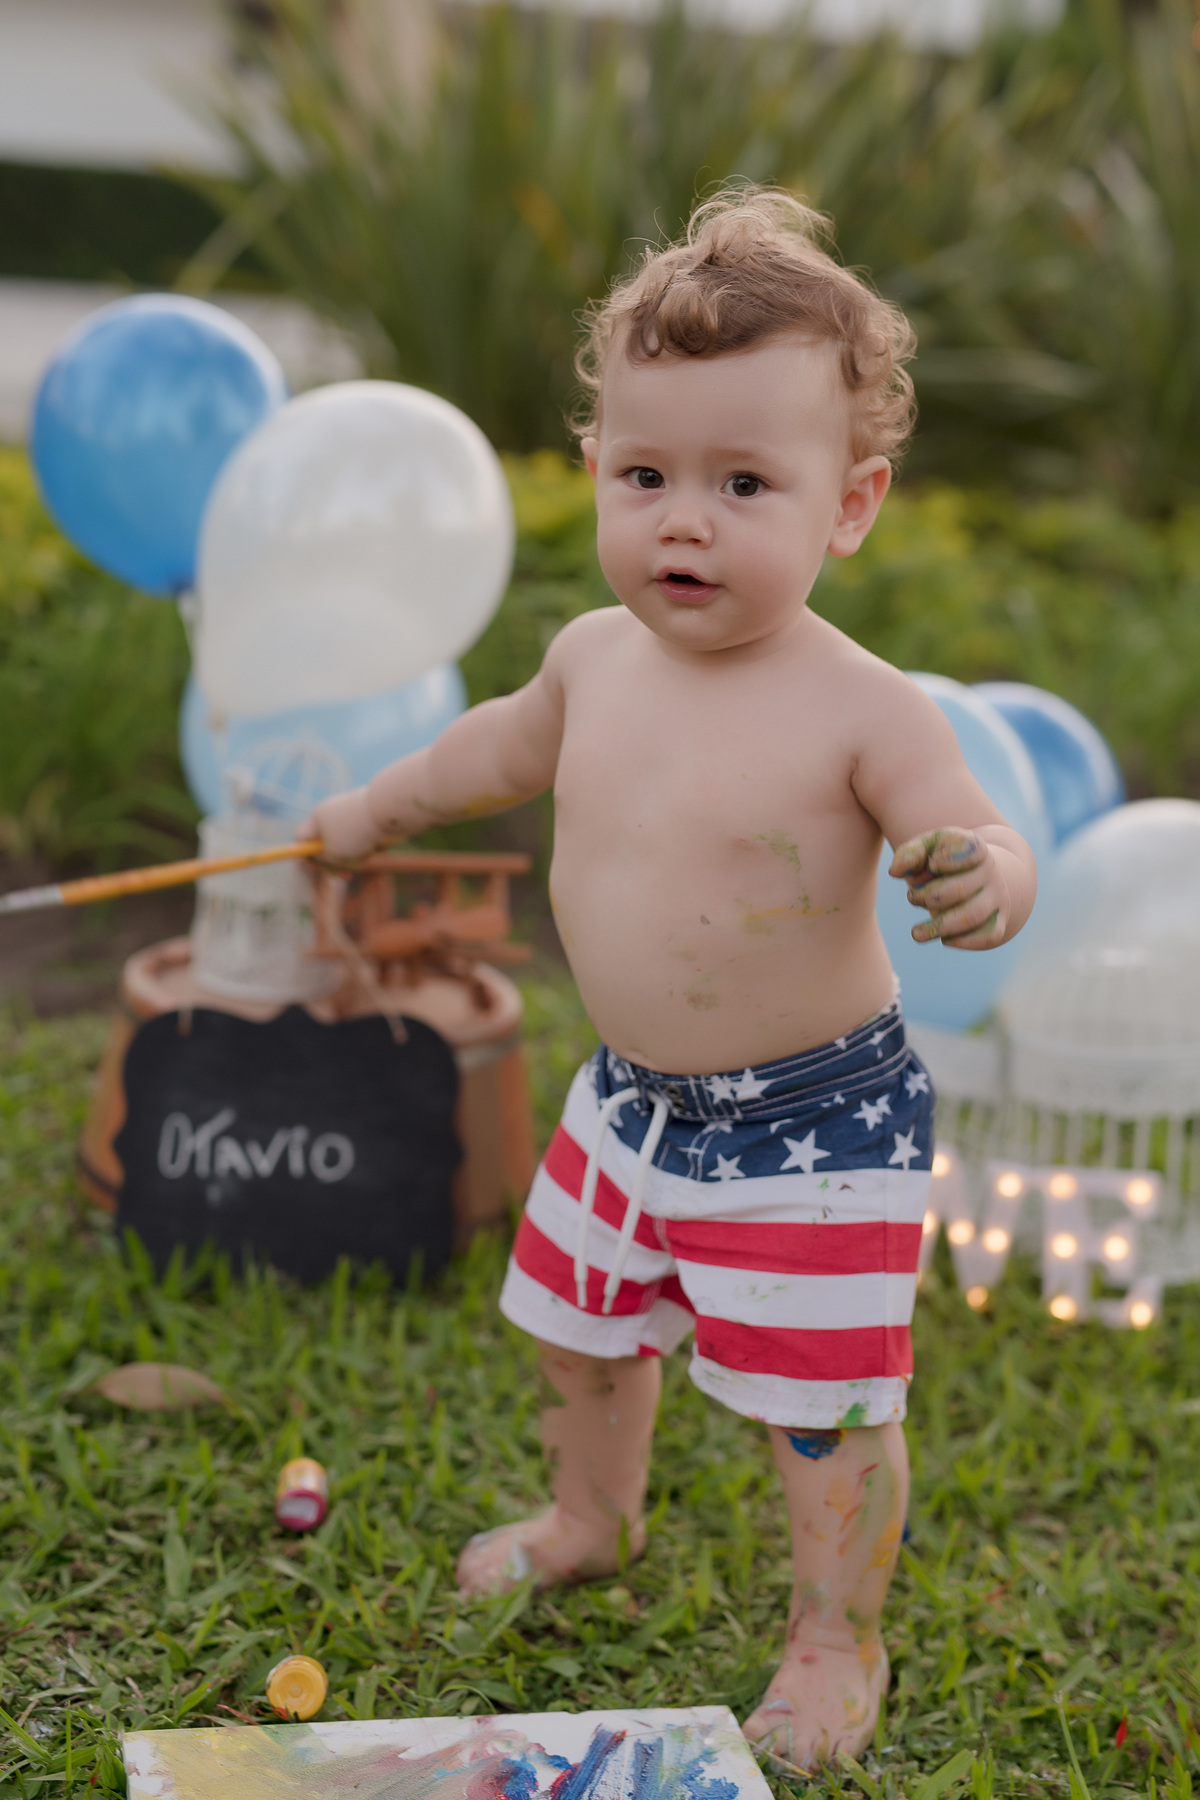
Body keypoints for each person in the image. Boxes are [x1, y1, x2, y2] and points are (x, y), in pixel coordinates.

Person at [307, 187, 1037, 1769]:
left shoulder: (864, 710)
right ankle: (592, 1514)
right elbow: (484, 752)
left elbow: (972, 827)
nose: (682, 520)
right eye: (646, 475)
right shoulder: (589, 661)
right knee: (580, 1326)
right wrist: (371, 812)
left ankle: (838, 1639)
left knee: (821, 1408)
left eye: (743, 483)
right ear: (593, 475)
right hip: (628, 1102)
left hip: (814, 1126)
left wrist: (988, 876)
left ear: (852, 504)